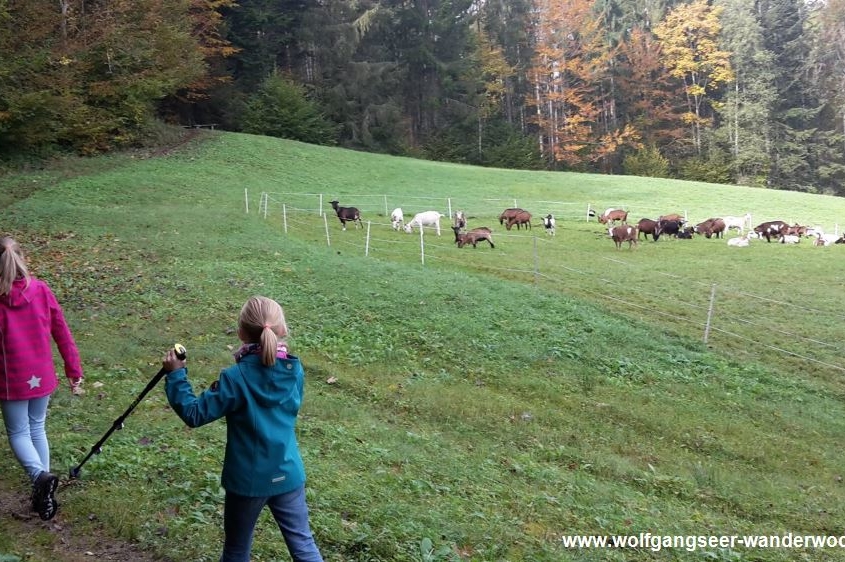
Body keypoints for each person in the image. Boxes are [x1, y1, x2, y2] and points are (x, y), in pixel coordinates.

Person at [161, 295, 323, 562]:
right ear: (282, 330)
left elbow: (194, 414)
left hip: (248, 480)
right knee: (304, 546)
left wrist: (176, 375)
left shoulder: (235, 378)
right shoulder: (295, 370)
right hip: (288, 472)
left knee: (237, 550)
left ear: (240, 333)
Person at [0, 236, 84, 521]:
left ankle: (40, 479)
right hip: (41, 376)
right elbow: (62, 332)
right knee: (37, 428)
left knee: (19, 432)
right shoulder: (42, 290)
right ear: (23, 259)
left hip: (11, 379)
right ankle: (45, 493)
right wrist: (74, 370)